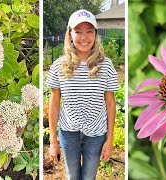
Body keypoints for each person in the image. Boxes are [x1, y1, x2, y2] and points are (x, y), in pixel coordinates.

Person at [46, 9, 119, 180]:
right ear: (70, 34)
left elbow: (110, 104)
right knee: (72, 176)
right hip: (68, 133)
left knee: (89, 177)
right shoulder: (59, 65)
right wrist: (53, 140)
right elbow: (54, 103)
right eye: (78, 32)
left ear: (95, 35)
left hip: (96, 134)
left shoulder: (106, 66)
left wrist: (109, 139)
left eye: (89, 32)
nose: (83, 37)